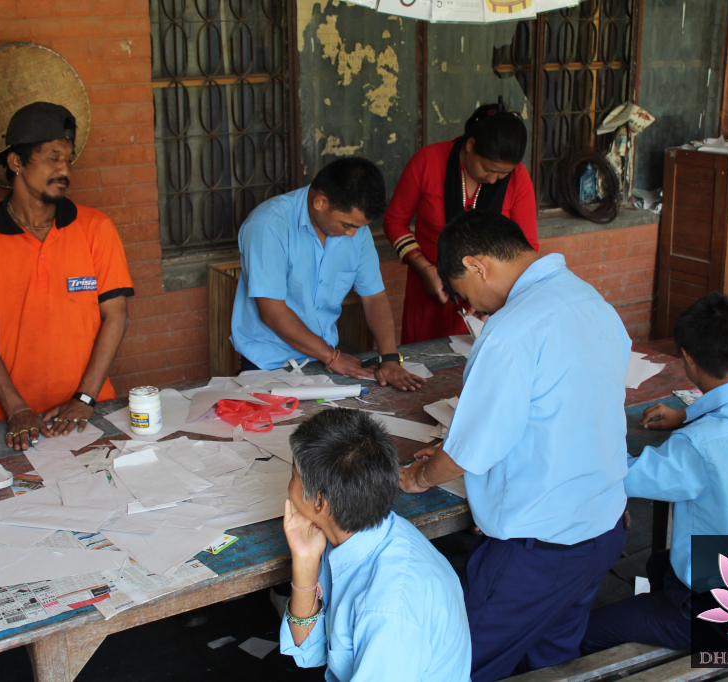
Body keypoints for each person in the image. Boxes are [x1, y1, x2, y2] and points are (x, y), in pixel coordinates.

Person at [399, 210, 630, 681]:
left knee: (456, 666)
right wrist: (454, 445)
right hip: (600, 529)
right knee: (552, 661)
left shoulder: (511, 332)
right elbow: (560, 411)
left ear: (478, 265)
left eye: (464, 295)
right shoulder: (590, 301)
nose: (474, 309)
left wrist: (419, 476)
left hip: (538, 551)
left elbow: (470, 454)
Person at [581, 293, 728, 654]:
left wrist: (595, 426)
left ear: (689, 361)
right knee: (658, 564)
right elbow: (724, 430)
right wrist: (685, 417)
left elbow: (620, 475)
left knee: (585, 634)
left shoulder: (697, 446)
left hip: (719, 616)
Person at [0, 102, 133, 451]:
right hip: (10, 421)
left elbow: (116, 316)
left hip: (89, 411)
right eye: (52, 157)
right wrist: (17, 408)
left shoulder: (96, 229)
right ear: (16, 162)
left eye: (68, 158)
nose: (64, 169)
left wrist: (85, 398)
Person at [280, 408, 471, 682]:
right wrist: (304, 560)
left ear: (319, 502)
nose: (289, 486)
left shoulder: (387, 611)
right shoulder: (359, 532)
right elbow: (308, 650)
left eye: (293, 475)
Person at [231, 157, 422, 390]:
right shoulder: (268, 225)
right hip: (268, 364)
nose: (352, 234)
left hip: (324, 361)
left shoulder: (356, 231)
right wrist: (332, 357)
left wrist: (390, 359)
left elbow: (374, 297)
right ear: (320, 202)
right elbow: (272, 312)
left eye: (358, 227)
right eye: (346, 225)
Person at [383, 101, 537, 344]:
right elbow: (394, 222)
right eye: (488, 169)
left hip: (489, 303)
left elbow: (527, 249)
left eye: (503, 174)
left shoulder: (519, 179)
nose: (494, 180)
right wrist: (424, 268)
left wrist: (493, 301)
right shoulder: (428, 161)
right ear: (470, 144)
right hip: (431, 292)